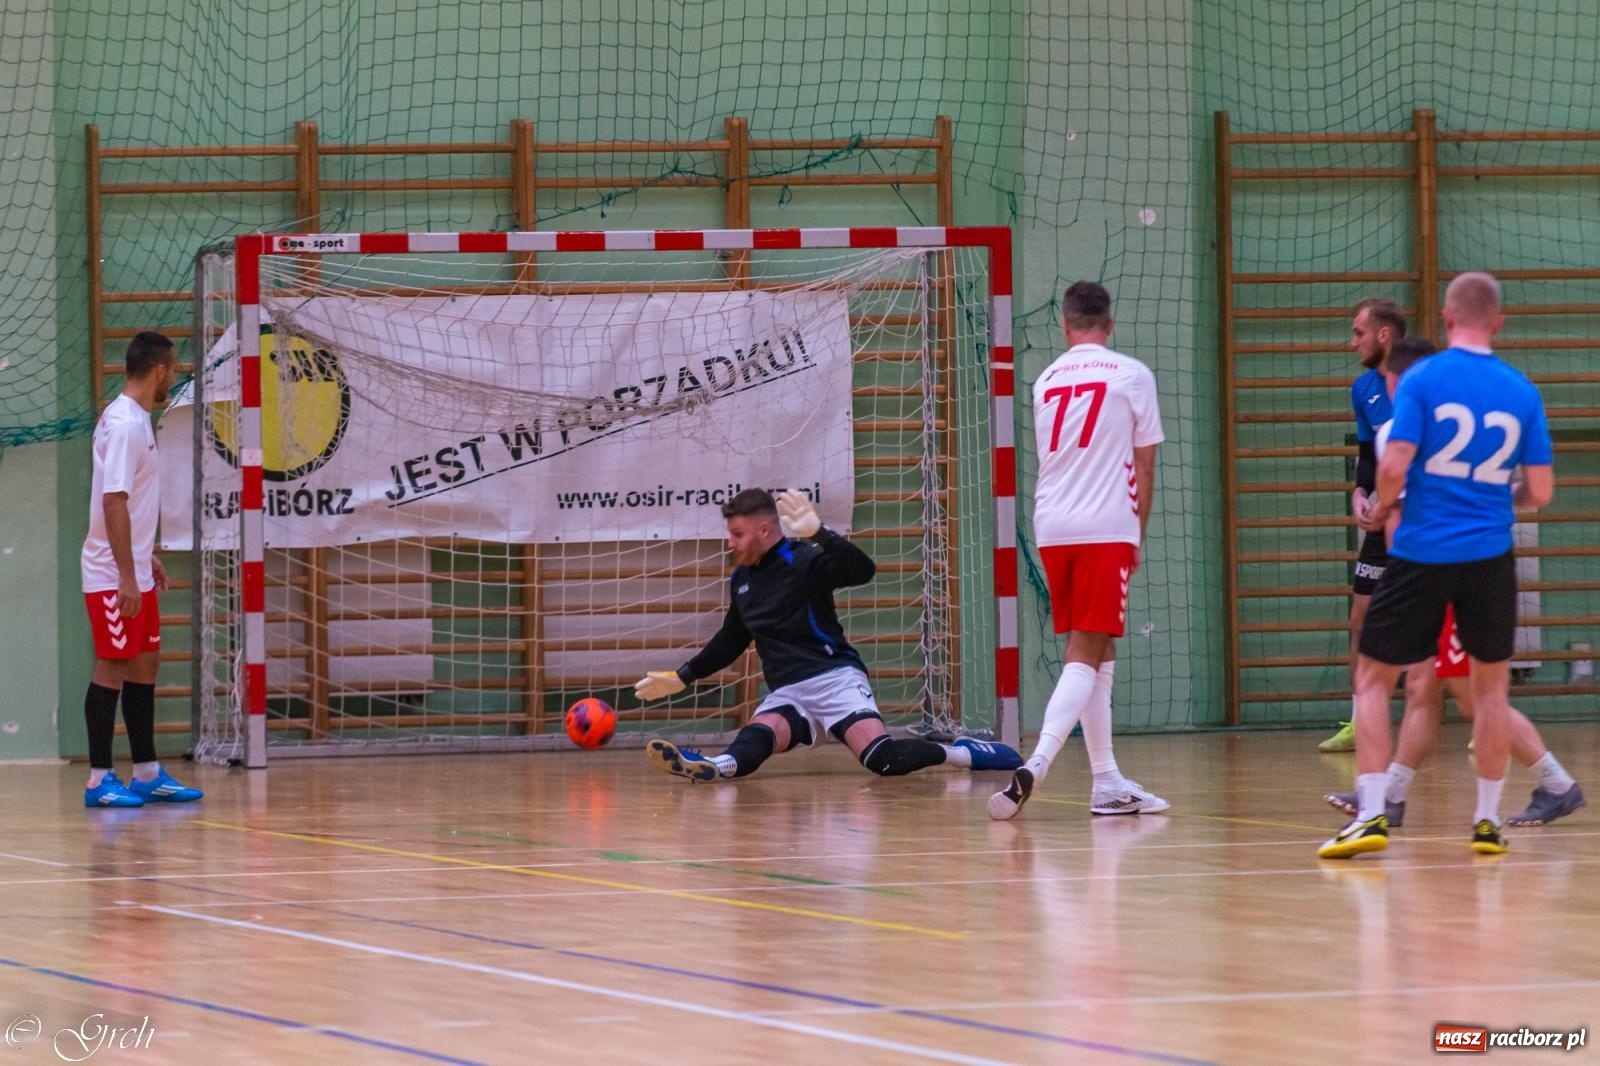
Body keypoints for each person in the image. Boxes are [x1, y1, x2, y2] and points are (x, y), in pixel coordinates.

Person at [1319, 273, 1553, 859]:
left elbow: (1393, 465)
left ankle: (1372, 813)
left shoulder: (1423, 378)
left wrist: (1384, 506)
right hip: (1489, 556)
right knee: (1491, 691)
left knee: (1374, 679)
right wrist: (1497, 498)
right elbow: (1541, 491)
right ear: (1498, 322)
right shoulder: (1522, 391)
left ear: (1447, 319)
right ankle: (1486, 821)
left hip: (1422, 550)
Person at [636, 488, 1022, 782]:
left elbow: (862, 571)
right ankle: (712, 765)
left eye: (737, 534)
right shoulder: (741, 580)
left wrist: (820, 533)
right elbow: (732, 638)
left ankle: (963, 754)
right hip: (789, 692)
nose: (731, 543)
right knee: (760, 733)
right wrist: (682, 676)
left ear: (764, 530)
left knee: (882, 759)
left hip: (835, 678)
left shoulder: (802, 559)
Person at [987, 281, 1170, 821]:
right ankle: (1037, 764)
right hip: (1104, 524)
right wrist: (1136, 535)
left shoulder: (1045, 379)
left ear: (1064, 324)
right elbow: (1144, 467)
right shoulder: (1132, 374)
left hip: (1052, 525)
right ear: (1109, 324)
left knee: (1096, 646)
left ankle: (1107, 782)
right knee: (1086, 649)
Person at [81, 331, 203, 808]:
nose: (173, 378)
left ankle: (147, 773)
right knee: (112, 663)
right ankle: (98, 780)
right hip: (111, 574)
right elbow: (112, 501)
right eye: (173, 370)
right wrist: (126, 574)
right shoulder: (127, 425)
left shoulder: (134, 419)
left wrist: (142, 555)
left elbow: (125, 500)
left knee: (145, 661)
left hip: (131, 565)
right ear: (159, 370)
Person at [1321, 298, 1407, 753]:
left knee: (1448, 621)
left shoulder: (1423, 384)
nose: (1352, 341)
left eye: (1359, 332)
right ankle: (1361, 721)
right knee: (1361, 617)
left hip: (1425, 521)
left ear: (1383, 334)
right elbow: (1370, 455)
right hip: (1382, 520)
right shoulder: (1364, 389)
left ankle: (1485, 718)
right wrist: (1359, 493)